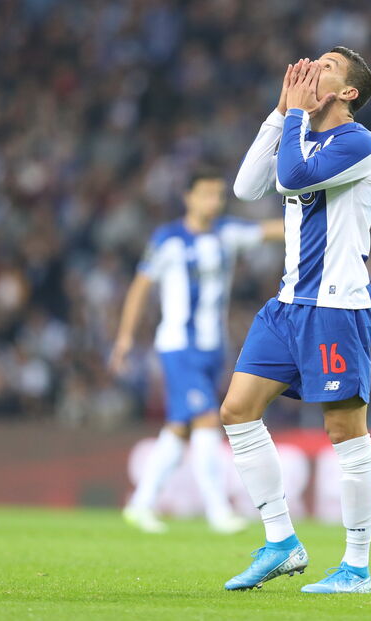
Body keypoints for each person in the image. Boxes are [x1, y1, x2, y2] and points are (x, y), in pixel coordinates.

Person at [221, 48, 371, 593]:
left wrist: (295, 114)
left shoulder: (359, 143)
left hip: (337, 309)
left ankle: (356, 567)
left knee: (344, 430)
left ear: (348, 92)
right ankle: (281, 541)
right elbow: (247, 188)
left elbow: (290, 179)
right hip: (288, 306)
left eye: (330, 67)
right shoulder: (299, 132)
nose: (315, 67)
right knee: (237, 409)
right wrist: (278, 111)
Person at [110, 168, 284, 534]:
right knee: (206, 419)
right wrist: (125, 337)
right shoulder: (168, 240)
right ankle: (217, 511)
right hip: (178, 345)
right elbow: (141, 287)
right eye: (205, 194)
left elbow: (273, 230)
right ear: (188, 197)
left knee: (180, 427)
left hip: (212, 348)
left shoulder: (227, 234)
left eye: (218, 195)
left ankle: (140, 504)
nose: (213, 202)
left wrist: (318, 215)